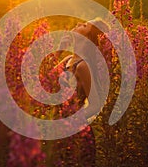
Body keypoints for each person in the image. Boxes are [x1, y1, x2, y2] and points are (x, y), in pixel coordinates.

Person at [43, 18, 108, 167]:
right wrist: (59, 50)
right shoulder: (68, 59)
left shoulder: (82, 66)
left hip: (77, 134)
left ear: (88, 38)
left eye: (84, 25)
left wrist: (71, 121)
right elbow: (44, 78)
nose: (78, 24)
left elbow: (96, 105)